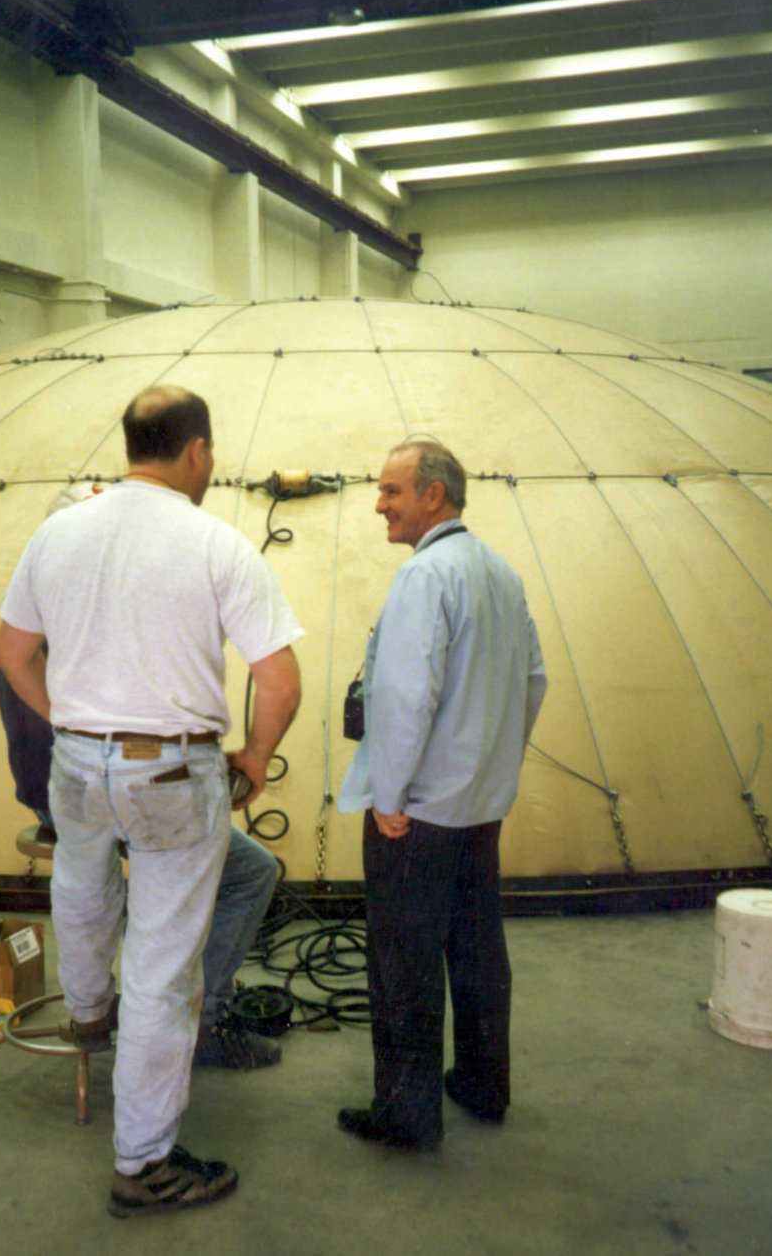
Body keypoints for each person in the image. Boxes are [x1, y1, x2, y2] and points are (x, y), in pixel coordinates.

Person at [0, 386, 302, 1215]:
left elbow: (11, 652)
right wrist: (256, 755)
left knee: (83, 884)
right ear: (196, 450)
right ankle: (144, 1162)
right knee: (164, 971)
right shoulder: (215, 543)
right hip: (171, 774)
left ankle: (90, 1016)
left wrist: (74, 723)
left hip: (78, 762)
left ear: (132, 443)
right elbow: (279, 678)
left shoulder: (57, 534)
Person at [336, 436, 546, 1150]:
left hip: (417, 812)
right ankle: (485, 1084)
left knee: (403, 958)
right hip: (478, 806)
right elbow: (534, 680)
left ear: (434, 494)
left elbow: (403, 695)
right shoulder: (500, 572)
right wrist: (493, 767)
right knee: (479, 945)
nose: (379, 504)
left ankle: (406, 1112)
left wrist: (388, 794)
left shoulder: (426, 578)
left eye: (391, 491)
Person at [0, 665, 287, 1070]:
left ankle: (105, 1009)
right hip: (101, 787)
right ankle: (198, 1024)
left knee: (107, 890)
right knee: (247, 873)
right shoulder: (92, 623)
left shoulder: (43, 615)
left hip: (63, 787)